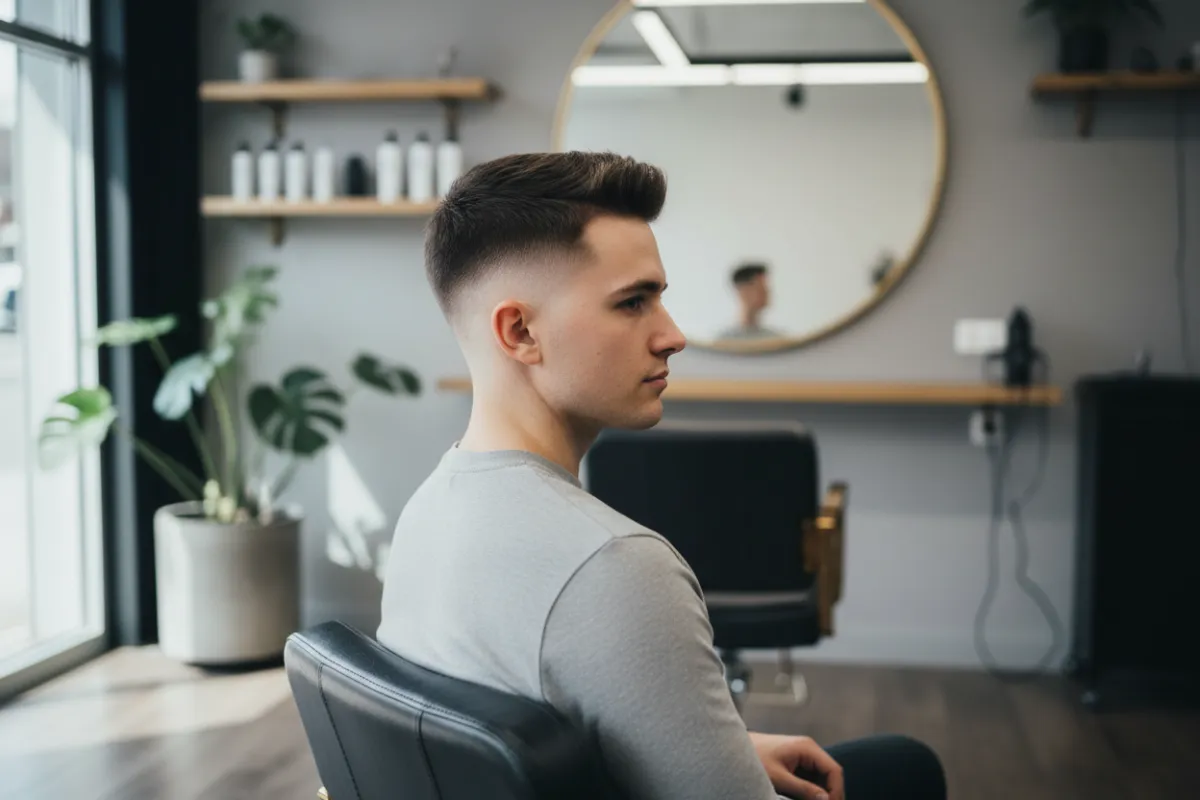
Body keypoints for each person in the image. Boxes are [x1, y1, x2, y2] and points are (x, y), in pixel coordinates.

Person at [377, 151, 945, 800]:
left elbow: (522, 718)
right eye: (633, 303)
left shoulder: (428, 508)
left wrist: (716, 749)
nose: (673, 336)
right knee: (906, 769)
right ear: (521, 331)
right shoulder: (616, 566)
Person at [718, 262, 784, 341]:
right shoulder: (723, 342)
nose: (766, 293)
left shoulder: (776, 340)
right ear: (743, 291)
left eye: (766, 289)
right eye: (760, 288)